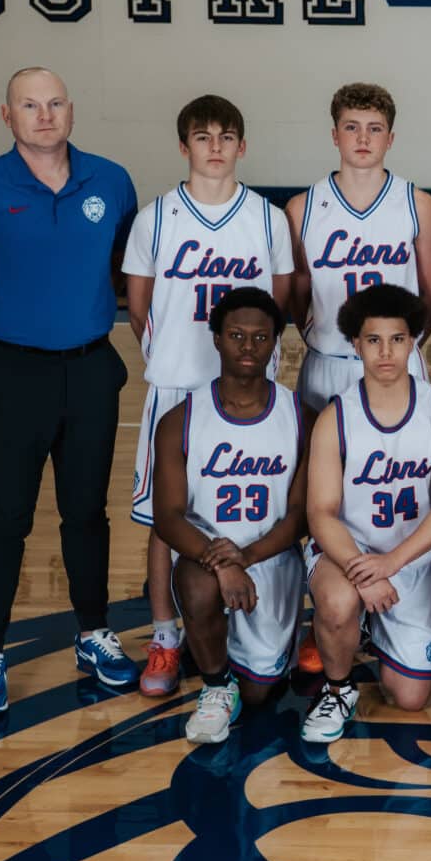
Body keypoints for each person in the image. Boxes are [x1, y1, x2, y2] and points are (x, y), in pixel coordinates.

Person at [0, 66, 140, 713]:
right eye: (30, 105)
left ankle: (94, 633)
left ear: (71, 111)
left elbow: (124, 267)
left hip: (90, 370)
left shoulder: (111, 181)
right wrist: (16, 331)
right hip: (14, 374)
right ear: (8, 116)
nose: (44, 116)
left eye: (54, 104)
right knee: (6, 518)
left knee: (87, 512)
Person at [123, 95, 296, 698]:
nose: (215, 147)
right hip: (178, 381)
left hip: (251, 388)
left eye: (226, 137)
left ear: (242, 146)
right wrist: (170, 357)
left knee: (263, 501)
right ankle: (165, 638)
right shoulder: (155, 218)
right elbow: (139, 307)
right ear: (184, 146)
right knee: (163, 516)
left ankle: (265, 618)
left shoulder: (267, 219)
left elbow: (277, 305)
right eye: (203, 136)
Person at [300, 285, 431, 743]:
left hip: (406, 559)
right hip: (345, 553)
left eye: (397, 339)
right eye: (373, 340)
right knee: (339, 602)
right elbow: (321, 512)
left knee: (410, 697)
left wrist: (391, 564)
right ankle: (338, 688)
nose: (386, 352)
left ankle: (369, 628)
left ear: (414, 341)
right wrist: (364, 573)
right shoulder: (336, 416)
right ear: (356, 345)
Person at [148, 288, 311, 745]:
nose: (248, 346)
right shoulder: (180, 420)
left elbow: (300, 516)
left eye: (261, 337)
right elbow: (168, 517)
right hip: (205, 558)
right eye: (237, 335)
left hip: (271, 560)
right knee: (197, 583)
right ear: (216, 338)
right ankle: (216, 685)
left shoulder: (302, 417)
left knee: (258, 694)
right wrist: (224, 564)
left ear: (275, 342)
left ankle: (218, 648)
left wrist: (246, 557)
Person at [284, 82, 431, 412]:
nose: (363, 139)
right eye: (351, 127)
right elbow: (298, 296)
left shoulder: (418, 204)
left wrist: (402, 344)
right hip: (328, 362)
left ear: (390, 138)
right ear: (335, 135)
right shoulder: (302, 209)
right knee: (320, 446)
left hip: (398, 364)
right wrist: (323, 338)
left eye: (375, 128)